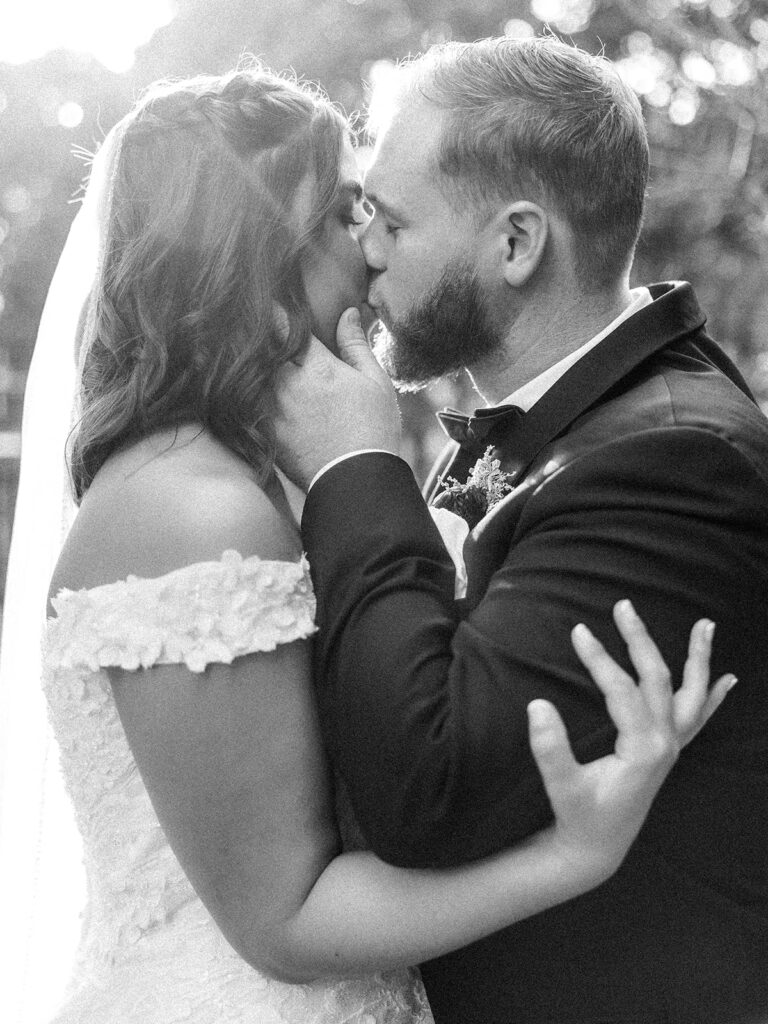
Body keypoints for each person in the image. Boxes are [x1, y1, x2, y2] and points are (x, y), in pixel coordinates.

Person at [0, 64, 732, 1024]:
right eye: (349, 213)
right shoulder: (195, 511)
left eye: (383, 214)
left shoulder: (278, 472)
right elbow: (286, 920)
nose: (373, 248)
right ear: (260, 257)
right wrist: (571, 857)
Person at [273, 36, 768, 1024]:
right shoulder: (565, 418)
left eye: (396, 222)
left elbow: (428, 788)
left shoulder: (671, 464)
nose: (366, 251)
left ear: (515, 244)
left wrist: (356, 468)